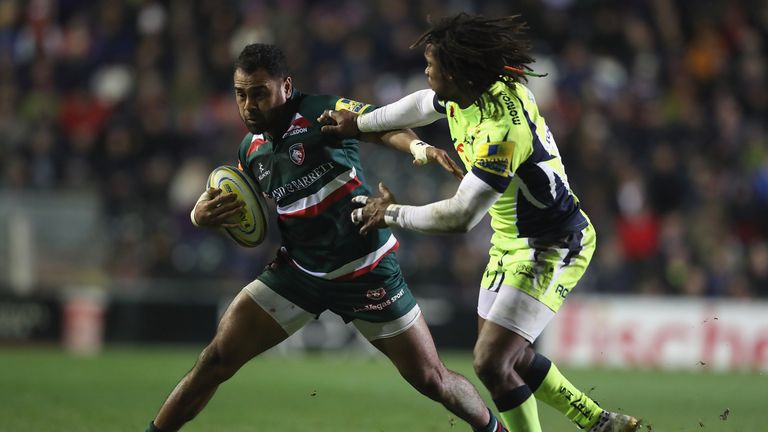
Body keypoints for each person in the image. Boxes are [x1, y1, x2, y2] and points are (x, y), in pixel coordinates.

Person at [145, 43, 508, 432]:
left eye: (259, 93)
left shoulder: (321, 112)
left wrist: (417, 146)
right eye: (240, 94)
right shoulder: (251, 149)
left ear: (285, 86)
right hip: (299, 274)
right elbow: (235, 201)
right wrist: (201, 212)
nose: (248, 105)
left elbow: (379, 126)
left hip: (365, 270)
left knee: (432, 379)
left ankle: (495, 430)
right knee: (215, 360)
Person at [319, 13, 640, 432]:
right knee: (513, 358)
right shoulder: (466, 92)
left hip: (553, 242)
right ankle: (598, 422)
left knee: (491, 361)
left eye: (432, 64)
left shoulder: (500, 133)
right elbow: (420, 104)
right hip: (509, 240)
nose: (426, 70)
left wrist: (390, 213)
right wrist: (360, 123)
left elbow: (460, 217)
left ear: (455, 73)